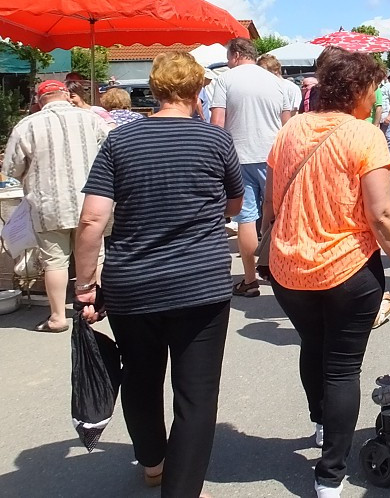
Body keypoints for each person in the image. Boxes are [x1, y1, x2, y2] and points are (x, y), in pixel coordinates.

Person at [73, 51, 243, 498]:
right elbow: (234, 205)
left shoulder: (119, 142)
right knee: (197, 394)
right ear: (198, 90)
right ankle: (182, 490)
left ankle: (152, 462)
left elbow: (92, 220)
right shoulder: (216, 141)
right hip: (200, 284)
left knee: (141, 377)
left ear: (154, 88)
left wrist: (86, 284)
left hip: (134, 284)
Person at [263, 49, 390, 498]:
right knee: (344, 367)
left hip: (290, 268)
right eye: (372, 89)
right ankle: (329, 474)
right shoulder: (364, 135)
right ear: (358, 91)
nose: (374, 98)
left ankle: (318, 421)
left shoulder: (290, 129)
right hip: (348, 266)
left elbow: (272, 200)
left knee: (313, 344)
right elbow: (382, 213)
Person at [2, 80, 111, 332]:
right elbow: (111, 150)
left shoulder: (26, 125)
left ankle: (58, 317)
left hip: (48, 203)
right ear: (65, 94)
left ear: (40, 100)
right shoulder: (91, 119)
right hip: (92, 200)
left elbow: (11, 168)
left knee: (54, 262)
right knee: (96, 256)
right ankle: (97, 306)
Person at [211, 37, 291, 298]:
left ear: (235, 55)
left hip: (238, 156)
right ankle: (277, 271)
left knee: (246, 218)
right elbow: (288, 125)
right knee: (277, 214)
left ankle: (249, 279)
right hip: (274, 156)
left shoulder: (225, 80)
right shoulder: (276, 82)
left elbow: (217, 122)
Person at [257, 54, 301, 122]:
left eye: (264, 70)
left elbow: (295, 113)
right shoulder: (262, 87)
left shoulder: (291, 88)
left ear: (276, 70)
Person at [378, 73, 390, 172]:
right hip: (375, 119)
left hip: (386, 117)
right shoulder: (371, 85)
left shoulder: (388, 85)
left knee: (389, 141)